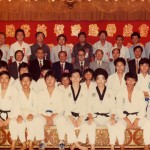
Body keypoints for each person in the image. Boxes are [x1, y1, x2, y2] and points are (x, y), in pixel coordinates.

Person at [116, 72, 150, 150]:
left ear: (135, 81)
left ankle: (147, 145)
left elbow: (142, 108)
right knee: (118, 125)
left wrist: (137, 119)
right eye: (128, 79)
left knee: (148, 123)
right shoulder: (120, 92)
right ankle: (122, 146)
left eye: (133, 80)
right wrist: (127, 120)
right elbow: (119, 109)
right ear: (125, 81)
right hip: (125, 117)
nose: (130, 81)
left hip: (137, 116)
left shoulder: (139, 92)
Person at [86, 68, 117, 150]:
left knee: (112, 124)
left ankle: (112, 147)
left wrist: (113, 117)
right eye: (98, 78)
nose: (100, 80)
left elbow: (114, 106)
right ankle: (92, 147)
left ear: (106, 80)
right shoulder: (91, 91)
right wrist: (90, 116)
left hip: (107, 116)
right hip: (95, 116)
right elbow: (89, 106)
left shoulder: (110, 91)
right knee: (90, 124)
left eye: (102, 78)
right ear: (95, 80)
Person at [10, 73, 41, 150]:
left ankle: (30, 144)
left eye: (27, 81)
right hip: (20, 114)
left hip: (31, 114)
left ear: (30, 82)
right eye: (23, 81)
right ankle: (23, 144)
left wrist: (32, 114)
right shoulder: (17, 93)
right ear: (20, 82)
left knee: (31, 121)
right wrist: (19, 115)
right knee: (15, 122)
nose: (25, 83)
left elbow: (36, 107)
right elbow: (15, 106)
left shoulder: (35, 94)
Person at [37, 70, 66, 150]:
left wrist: (52, 116)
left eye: (51, 78)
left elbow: (61, 107)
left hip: (56, 114)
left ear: (55, 80)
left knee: (62, 119)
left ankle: (61, 141)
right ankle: (42, 141)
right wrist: (47, 117)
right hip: (44, 115)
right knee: (38, 120)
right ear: (45, 80)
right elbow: (39, 107)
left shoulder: (60, 92)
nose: (49, 80)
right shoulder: (41, 92)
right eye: (47, 79)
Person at [64, 69, 88, 150]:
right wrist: (71, 119)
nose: (75, 78)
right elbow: (66, 106)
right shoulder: (66, 91)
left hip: (81, 115)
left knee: (85, 125)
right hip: (70, 115)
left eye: (77, 76)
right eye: (73, 76)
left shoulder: (85, 91)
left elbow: (85, 105)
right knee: (68, 125)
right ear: (70, 78)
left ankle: (74, 145)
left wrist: (80, 118)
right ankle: (78, 145)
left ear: (81, 78)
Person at [0, 71, 18, 150]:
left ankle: (13, 145)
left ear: (9, 80)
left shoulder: (14, 90)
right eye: (2, 78)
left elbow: (16, 106)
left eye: (6, 78)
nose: (4, 80)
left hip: (11, 114)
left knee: (14, 122)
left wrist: (9, 119)